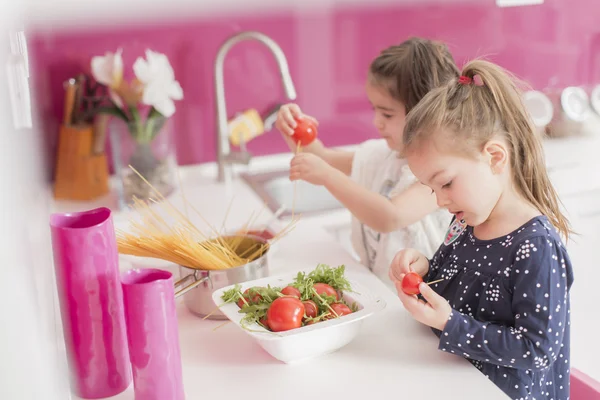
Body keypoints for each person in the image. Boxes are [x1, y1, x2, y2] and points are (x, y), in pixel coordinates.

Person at [389, 59, 574, 400]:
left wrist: (451, 325)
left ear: (494, 157)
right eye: (432, 189)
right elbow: (450, 285)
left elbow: (537, 350)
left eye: (445, 183)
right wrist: (424, 269)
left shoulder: (535, 248)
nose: (441, 200)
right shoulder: (464, 220)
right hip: (450, 383)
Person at [275, 37, 459, 289]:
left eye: (387, 113)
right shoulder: (382, 156)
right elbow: (323, 158)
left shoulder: (439, 173)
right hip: (383, 292)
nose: (376, 122)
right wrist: (293, 129)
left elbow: (390, 216)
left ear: (424, 112)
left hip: (422, 303)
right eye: (374, 109)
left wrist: (328, 177)